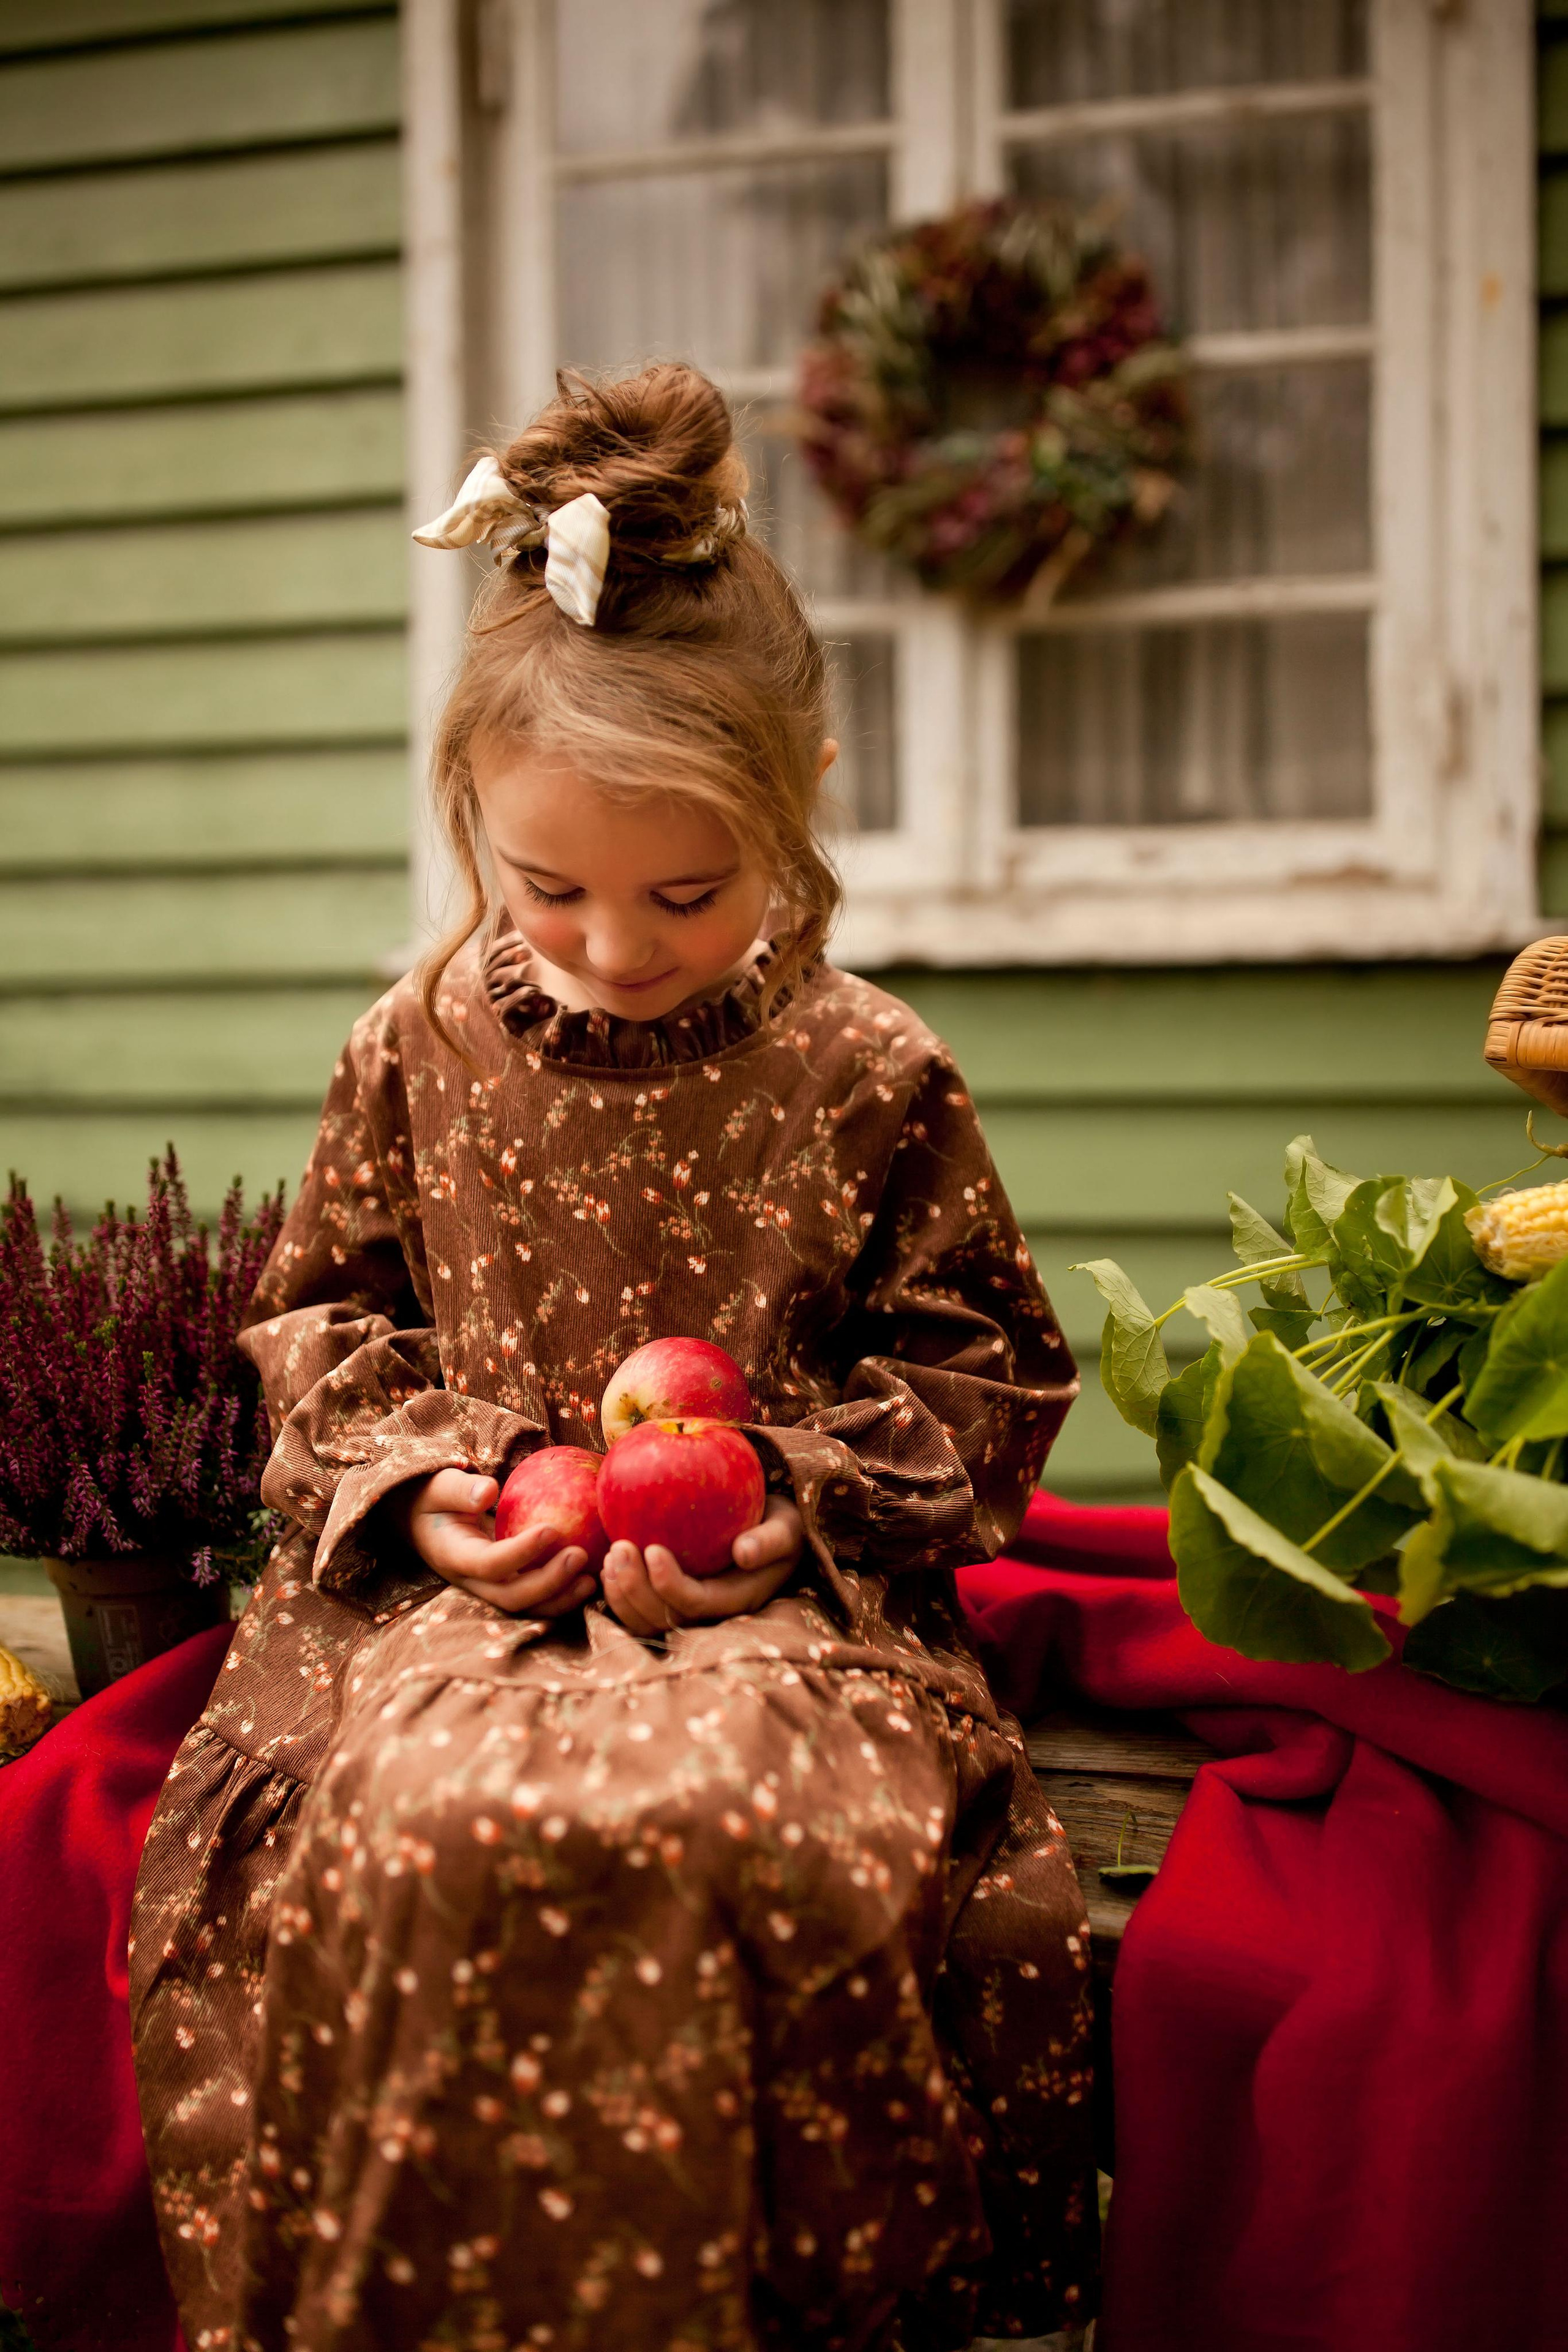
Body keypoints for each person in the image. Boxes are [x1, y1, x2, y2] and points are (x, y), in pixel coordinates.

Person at [129, 363, 1096, 2352]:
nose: (609, 947)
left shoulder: (864, 1072)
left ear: (797, 814)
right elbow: (326, 1315)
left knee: (759, 1837)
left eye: (684, 893)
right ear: (472, 814)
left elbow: (980, 1361)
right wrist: (430, 1487)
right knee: (408, 1835)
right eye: (546, 887)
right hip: (458, 1587)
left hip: (772, 1599)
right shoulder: (416, 1049)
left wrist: (801, 1504)